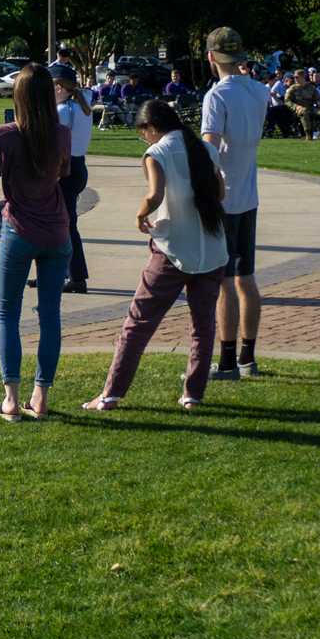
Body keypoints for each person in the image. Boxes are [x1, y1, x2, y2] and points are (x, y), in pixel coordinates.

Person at [80, 98, 231, 413]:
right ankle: (193, 394)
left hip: (172, 249)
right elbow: (220, 193)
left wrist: (140, 216)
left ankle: (111, 393)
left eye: (142, 132)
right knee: (203, 326)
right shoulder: (205, 149)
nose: (143, 138)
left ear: (150, 127)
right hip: (212, 247)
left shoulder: (157, 152)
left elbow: (155, 194)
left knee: (137, 324)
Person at [0, 66, 71, 422]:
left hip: (18, 231)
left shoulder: (3, 135)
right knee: (50, 316)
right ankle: (41, 396)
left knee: (7, 312)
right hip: (56, 231)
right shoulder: (61, 134)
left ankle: (12, 400)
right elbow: (62, 173)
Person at [200, 26, 268, 381]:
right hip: (249, 194)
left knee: (224, 281)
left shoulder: (217, 96)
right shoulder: (259, 91)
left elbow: (210, 145)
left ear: (211, 57)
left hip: (223, 197)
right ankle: (248, 357)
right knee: (246, 277)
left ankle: (227, 362)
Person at [50, 63, 94, 295]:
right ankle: (62, 273)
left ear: (59, 88)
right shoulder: (81, 105)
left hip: (64, 170)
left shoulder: (62, 111)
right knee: (63, 224)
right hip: (78, 167)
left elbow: (57, 143)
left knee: (66, 226)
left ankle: (75, 276)